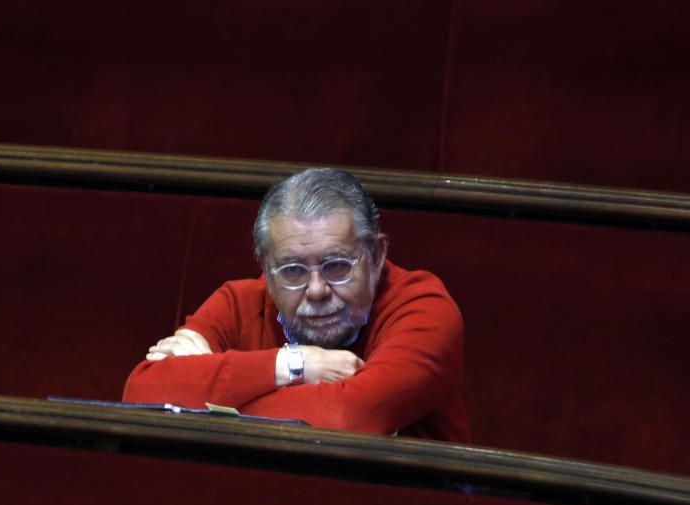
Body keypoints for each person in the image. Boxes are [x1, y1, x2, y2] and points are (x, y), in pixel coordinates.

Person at [123, 168, 470, 442]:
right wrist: (293, 364)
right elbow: (141, 395)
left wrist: (207, 401)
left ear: (376, 256)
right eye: (292, 270)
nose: (317, 290)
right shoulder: (237, 301)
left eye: (337, 265)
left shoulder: (423, 306)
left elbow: (348, 419)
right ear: (265, 269)